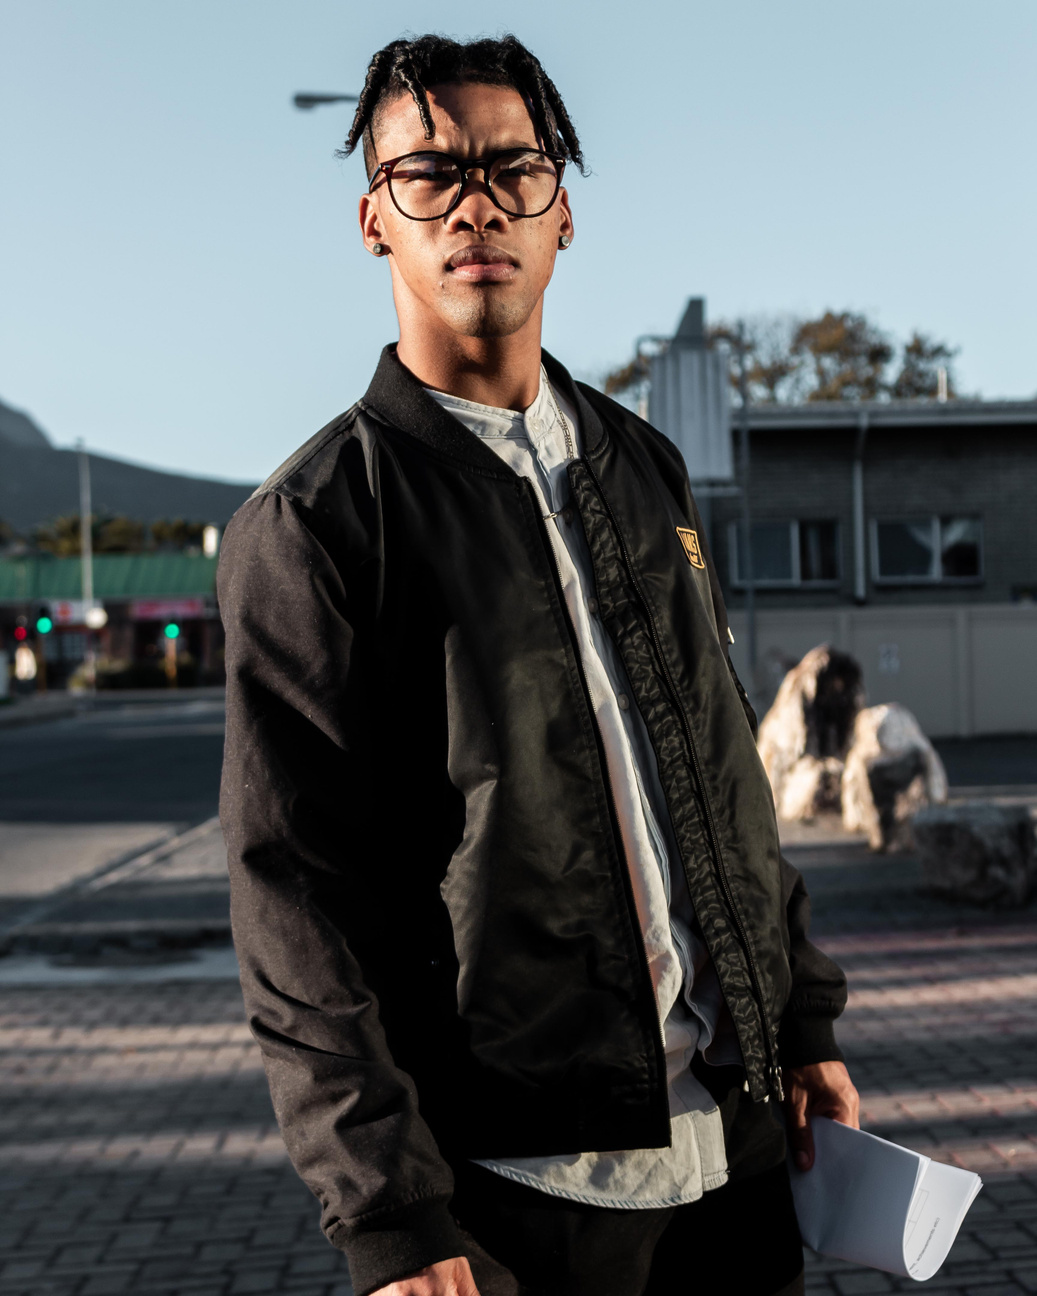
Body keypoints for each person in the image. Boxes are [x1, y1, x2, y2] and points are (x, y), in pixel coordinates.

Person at [218, 33, 859, 1296]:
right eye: (428, 174)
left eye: (512, 168)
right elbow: (296, 897)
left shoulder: (640, 467)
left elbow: (720, 773)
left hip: (733, 1153)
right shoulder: (316, 523)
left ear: (562, 211)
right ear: (372, 221)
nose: (476, 204)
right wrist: (388, 1210)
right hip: (515, 1184)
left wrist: (799, 1022)